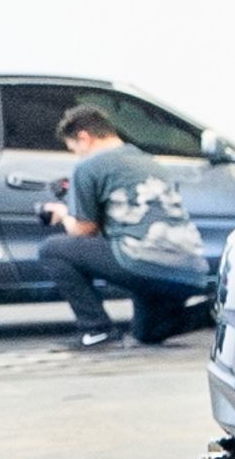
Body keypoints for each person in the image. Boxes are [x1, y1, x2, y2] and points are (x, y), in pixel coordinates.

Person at [37, 104, 211, 352]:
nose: (77, 156)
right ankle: (213, 311)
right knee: (148, 332)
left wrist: (63, 215)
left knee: (52, 250)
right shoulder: (148, 161)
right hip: (190, 270)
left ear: (84, 137)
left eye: (74, 149)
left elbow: (83, 231)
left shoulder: (88, 166)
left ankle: (97, 330)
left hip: (143, 261)